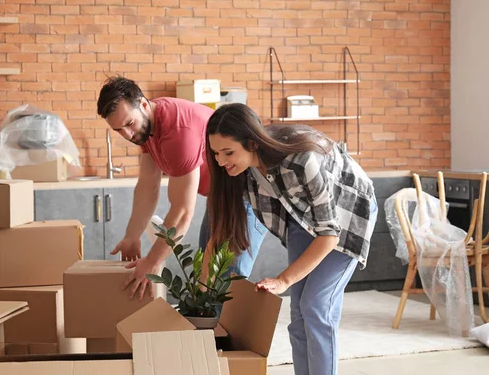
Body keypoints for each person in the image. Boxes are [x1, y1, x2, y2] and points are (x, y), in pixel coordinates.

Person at [204, 103, 378, 375]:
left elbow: (329, 233)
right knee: (298, 316)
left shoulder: (302, 160)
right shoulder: (236, 174)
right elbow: (220, 233)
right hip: (300, 218)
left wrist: (283, 279)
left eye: (228, 152)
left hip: (347, 214)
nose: (221, 161)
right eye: (215, 153)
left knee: (316, 306)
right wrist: (202, 291)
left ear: (252, 143)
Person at [96, 77, 267, 300]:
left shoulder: (177, 133)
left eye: (129, 124)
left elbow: (183, 212)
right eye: (118, 129)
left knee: (225, 278)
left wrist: (152, 262)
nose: (127, 135)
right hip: (221, 196)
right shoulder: (146, 129)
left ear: (144, 104)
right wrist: (131, 237)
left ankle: (231, 334)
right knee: (206, 277)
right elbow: (148, 186)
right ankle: (210, 334)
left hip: (247, 193)